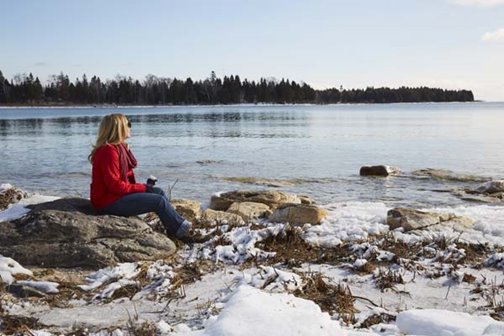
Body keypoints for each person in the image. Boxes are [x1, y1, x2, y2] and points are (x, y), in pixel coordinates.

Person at [88, 113, 201, 243]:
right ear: (118, 128)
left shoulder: (118, 149)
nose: (130, 127)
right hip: (107, 202)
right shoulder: (109, 151)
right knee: (158, 201)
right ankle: (182, 232)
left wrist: (144, 188)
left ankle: (174, 229)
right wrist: (143, 188)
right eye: (128, 124)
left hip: (114, 196)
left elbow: (127, 176)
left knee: (159, 192)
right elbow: (115, 186)